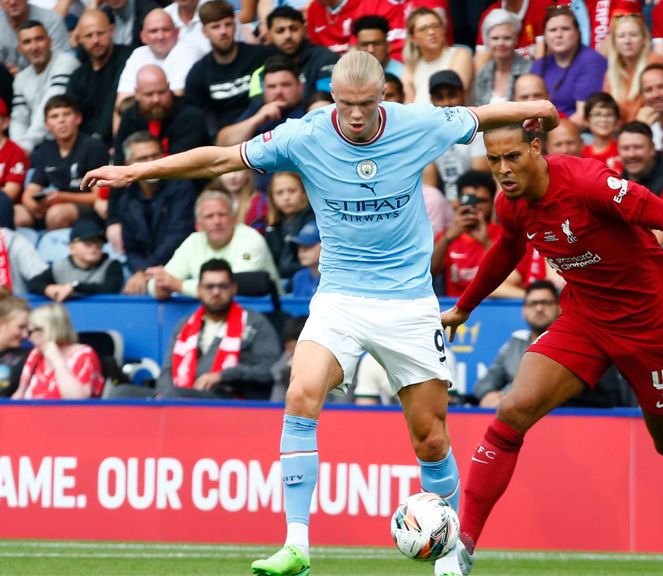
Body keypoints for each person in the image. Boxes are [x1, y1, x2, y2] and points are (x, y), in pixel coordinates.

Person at [81, 49, 561, 576]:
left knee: (431, 437)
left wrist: (538, 105)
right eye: (346, 104)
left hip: (408, 302)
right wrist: (136, 170)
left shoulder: (419, 124)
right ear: (332, 97)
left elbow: (484, 113)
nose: (356, 116)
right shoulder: (304, 136)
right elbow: (219, 159)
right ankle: (296, 545)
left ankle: (448, 551)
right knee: (300, 392)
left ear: (385, 97)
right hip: (340, 298)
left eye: (366, 104)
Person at [440, 122, 663, 567]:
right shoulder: (510, 203)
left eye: (513, 157)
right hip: (585, 320)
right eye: (495, 160)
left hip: (650, 325)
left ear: (536, 148)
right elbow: (507, 248)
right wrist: (464, 307)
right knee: (512, 410)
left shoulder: (587, 183)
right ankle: (463, 545)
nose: (503, 170)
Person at [472, 279, 634, 409]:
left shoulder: (579, 342)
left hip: (570, 421)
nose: (539, 308)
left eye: (546, 303)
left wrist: (508, 398)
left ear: (559, 307)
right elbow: (484, 384)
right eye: (533, 304)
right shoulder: (516, 342)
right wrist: (489, 395)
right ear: (523, 310)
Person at [147, 259, 280, 399]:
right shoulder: (184, 325)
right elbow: (167, 371)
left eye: (222, 286)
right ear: (199, 289)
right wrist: (161, 394)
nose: (216, 292)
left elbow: (269, 370)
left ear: (234, 288)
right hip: (181, 394)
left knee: (173, 395)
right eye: (209, 286)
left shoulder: (255, 323)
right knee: (124, 393)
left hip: (226, 399)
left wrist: (223, 376)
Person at [146, 190, 278, 300]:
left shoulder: (251, 239)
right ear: (198, 225)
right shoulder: (193, 242)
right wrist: (159, 288)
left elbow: (235, 287)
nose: (217, 221)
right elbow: (161, 281)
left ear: (233, 219)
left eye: (222, 215)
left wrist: (179, 286)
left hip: (267, 314)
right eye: (209, 216)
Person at [115, 131, 196, 295]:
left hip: (181, 268)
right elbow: (131, 248)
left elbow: (178, 235)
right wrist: (141, 270)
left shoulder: (181, 187)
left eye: (155, 156)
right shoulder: (126, 200)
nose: (150, 163)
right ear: (128, 163)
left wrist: (144, 270)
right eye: (142, 159)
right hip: (145, 272)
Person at [183, 0, 274, 136]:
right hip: (228, 140)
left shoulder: (261, 56)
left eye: (228, 24)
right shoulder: (198, 73)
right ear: (205, 32)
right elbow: (194, 118)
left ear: (235, 26)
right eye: (216, 27)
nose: (223, 31)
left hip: (268, 129)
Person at [17, 95, 108, 230]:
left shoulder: (93, 146)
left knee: (56, 214)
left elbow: (98, 197)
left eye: (66, 114)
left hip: (89, 209)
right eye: (54, 116)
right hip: (54, 205)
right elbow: (32, 189)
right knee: (17, 213)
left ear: (78, 118)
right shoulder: (46, 149)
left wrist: (62, 197)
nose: (61, 120)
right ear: (47, 125)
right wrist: (31, 203)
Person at [114, 65, 209, 164]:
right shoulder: (130, 117)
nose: (156, 99)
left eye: (162, 92)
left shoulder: (190, 117)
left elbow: (183, 164)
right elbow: (119, 159)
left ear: (169, 87)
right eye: (149, 94)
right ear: (137, 94)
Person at [9, 20, 79, 154]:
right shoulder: (21, 78)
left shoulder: (66, 62)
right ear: (20, 48)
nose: (34, 47)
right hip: (35, 145)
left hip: (65, 142)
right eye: (27, 42)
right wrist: (17, 149)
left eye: (39, 39)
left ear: (50, 41)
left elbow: (50, 106)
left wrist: (26, 145)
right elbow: (19, 118)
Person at [66, 9, 132, 148]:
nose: (95, 40)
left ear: (111, 30)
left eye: (100, 33)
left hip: (123, 141)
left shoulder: (129, 58)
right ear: (79, 40)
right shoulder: (78, 76)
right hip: (87, 147)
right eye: (89, 36)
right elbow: (71, 113)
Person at [529, 5, 605, 125]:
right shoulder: (539, 65)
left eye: (565, 29)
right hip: (543, 129)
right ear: (545, 36)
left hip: (578, 133)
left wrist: (550, 135)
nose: (558, 35)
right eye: (552, 30)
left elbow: (582, 117)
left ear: (577, 33)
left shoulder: (591, 61)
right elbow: (529, 107)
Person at [10, 302, 103, 399]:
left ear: (48, 329)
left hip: (67, 414)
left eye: (30, 332)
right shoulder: (36, 354)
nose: (26, 337)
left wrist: (57, 361)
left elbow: (77, 400)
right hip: (31, 413)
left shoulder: (84, 355)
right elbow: (20, 395)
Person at [423, 70, 489, 201]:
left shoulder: (477, 129)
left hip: (475, 201)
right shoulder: (428, 135)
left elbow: (479, 182)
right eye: (439, 97)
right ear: (432, 100)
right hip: (443, 206)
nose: (447, 102)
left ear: (464, 94)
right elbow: (429, 189)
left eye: (452, 95)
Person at [115, 8, 205, 103]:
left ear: (177, 32)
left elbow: (175, 99)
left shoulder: (188, 51)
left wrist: (140, 98)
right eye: (153, 31)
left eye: (166, 30)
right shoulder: (138, 54)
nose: (160, 36)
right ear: (143, 37)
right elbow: (122, 102)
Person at [432, 170, 498, 297]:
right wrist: (447, 239)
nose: (475, 206)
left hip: (493, 307)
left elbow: (511, 276)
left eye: (482, 201)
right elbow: (429, 274)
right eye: (469, 200)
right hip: (454, 308)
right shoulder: (446, 236)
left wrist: (486, 242)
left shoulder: (504, 234)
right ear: (458, 201)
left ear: (492, 203)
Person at [216, 55, 306, 146]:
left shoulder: (310, 112)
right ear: (264, 89)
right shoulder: (257, 110)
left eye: (285, 85)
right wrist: (258, 118)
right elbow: (222, 143)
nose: (278, 91)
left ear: (300, 86)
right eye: (272, 86)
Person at [31, 218, 123, 301]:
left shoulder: (112, 265)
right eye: (88, 243)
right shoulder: (60, 267)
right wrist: (48, 289)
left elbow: (111, 288)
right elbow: (33, 284)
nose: (94, 247)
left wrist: (75, 286)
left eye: (98, 244)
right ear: (72, 248)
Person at [402, 8, 473, 105]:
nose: (431, 32)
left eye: (435, 26)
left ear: (443, 29)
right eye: (423, 29)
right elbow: (408, 104)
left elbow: (454, 96)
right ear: (413, 37)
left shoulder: (461, 54)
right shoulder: (412, 64)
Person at [603, 14, 663, 123]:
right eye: (621, 36)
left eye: (633, 35)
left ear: (644, 39)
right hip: (623, 131)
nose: (627, 41)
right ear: (614, 42)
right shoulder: (612, 72)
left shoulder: (654, 62)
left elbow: (655, 106)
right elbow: (607, 106)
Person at [617, 121, 663, 208]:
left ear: (652, 149)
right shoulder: (616, 181)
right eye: (625, 148)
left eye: (638, 147)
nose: (631, 154)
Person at [472, 8, 532, 106]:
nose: (501, 43)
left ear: (516, 40)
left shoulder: (530, 69)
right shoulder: (483, 73)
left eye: (507, 38)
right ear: (487, 41)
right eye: (495, 38)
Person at [263, 171, 314, 284]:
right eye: (279, 193)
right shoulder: (271, 226)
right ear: (272, 198)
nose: (286, 197)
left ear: (304, 192)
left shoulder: (314, 221)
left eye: (292, 191)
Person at [0, 0, 70, 72]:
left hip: (49, 76)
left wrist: (23, 76)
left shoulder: (52, 21)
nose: (12, 2)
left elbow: (61, 63)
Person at [0, 294, 29, 397]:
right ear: (1, 323)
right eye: (21, 327)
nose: (25, 335)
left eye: (27, 329)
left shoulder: (29, 358)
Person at [580, 91, 620, 169]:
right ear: (587, 120)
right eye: (597, 114)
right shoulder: (581, 153)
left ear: (617, 120)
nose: (603, 120)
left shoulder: (624, 149)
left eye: (609, 115)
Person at [290, 219, 320, 298]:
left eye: (309, 246)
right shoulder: (299, 277)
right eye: (300, 246)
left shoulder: (335, 279)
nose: (302, 251)